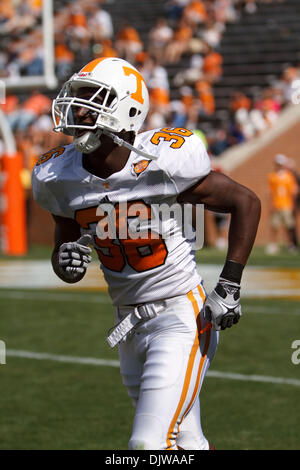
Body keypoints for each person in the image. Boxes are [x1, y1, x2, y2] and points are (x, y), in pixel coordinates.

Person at [32, 57, 261, 450]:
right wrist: (65, 262)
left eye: (93, 98)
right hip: (128, 323)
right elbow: (64, 247)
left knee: (149, 444)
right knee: (187, 441)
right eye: (78, 97)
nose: (79, 107)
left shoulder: (160, 162)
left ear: (128, 110)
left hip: (181, 317)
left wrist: (229, 284)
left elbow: (246, 202)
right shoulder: (61, 176)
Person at [266, 153, 298, 254]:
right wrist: (270, 205)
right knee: (274, 226)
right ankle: (273, 245)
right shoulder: (272, 176)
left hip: (286, 204)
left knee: (288, 226)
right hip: (276, 204)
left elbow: (294, 191)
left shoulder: (289, 176)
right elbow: (270, 192)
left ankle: (290, 244)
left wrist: (293, 204)